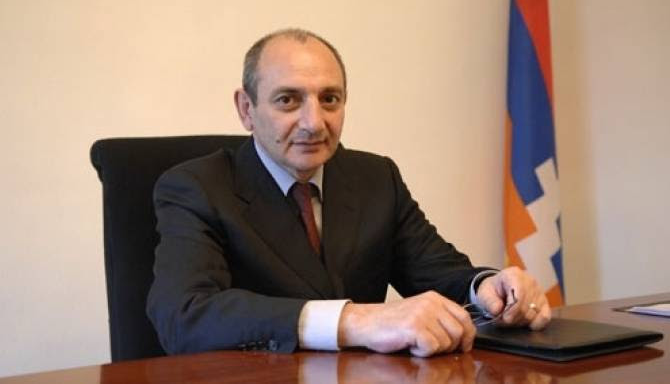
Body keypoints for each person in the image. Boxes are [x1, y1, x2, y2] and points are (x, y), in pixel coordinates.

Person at [147, 28, 551, 358]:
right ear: (246, 109)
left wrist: (488, 289)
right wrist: (355, 321)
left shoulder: (376, 177)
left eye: (329, 99)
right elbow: (185, 315)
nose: (313, 122)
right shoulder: (197, 187)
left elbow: (438, 272)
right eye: (288, 100)